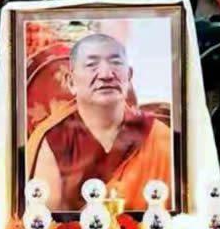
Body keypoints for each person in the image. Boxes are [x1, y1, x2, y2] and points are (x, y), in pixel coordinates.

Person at [27, 34, 172, 211]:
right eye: (91, 65)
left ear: (129, 76)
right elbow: (45, 222)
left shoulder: (157, 135)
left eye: (116, 63)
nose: (106, 75)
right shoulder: (54, 139)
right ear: (71, 81)